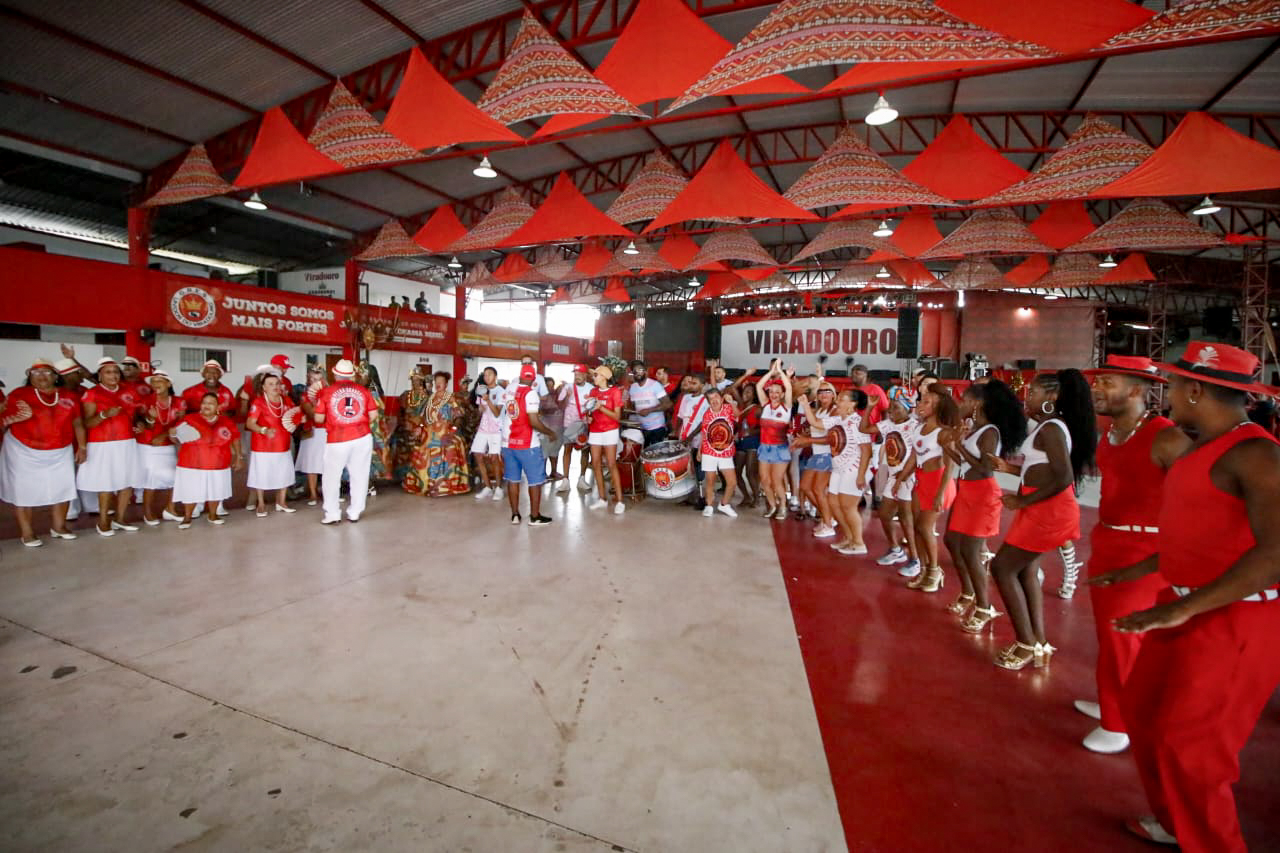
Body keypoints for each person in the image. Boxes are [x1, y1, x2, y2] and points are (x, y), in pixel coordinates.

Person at [1088, 343, 1280, 851]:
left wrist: (1183, 606)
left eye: (1171, 385)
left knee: (1195, 749)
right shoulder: (1199, 445)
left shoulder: (1256, 454)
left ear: (1195, 390)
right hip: (1184, 607)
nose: (1166, 394)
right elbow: (1194, 533)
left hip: (1236, 617)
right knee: (1143, 713)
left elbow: (1276, 553)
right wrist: (1144, 569)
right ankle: (1177, 821)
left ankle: (1212, 841)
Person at [1068, 357, 1189, 756]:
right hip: (1110, 544)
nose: (1097, 389)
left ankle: (1118, 724)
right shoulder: (1113, 432)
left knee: (1124, 636)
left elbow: (1197, 498)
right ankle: (1112, 701)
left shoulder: (1165, 437)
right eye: (1097, 381)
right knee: (1110, 634)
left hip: (1144, 553)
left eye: (1107, 382)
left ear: (1137, 390)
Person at [987, 370, 1097, 670]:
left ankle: (1025, 643)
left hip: (1048, 510)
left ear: (1051, 397)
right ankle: (1036, 641)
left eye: (1033, 392)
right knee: (1024, 571)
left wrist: (1023, 499)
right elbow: (1040, 470)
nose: (1027, 397)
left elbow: (1063, 476)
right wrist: (1008, 469)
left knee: (1002, 567)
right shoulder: (1046, 427)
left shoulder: (1051, 428)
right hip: (1039, 507)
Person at [941, 381, 1027, 631]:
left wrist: (959, 447)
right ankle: (968, 593)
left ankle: (984, 605)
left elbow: (986, 466)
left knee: (970, 549)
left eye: (965, 400)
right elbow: (966, 463)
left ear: (977, 404)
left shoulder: (990, 432)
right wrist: (952, 446)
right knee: (952, 541)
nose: (961, 405)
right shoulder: (975, 429)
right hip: (967, 489)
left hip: (982, 493)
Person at [0, 358, 84, 545]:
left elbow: (77, 423)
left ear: (55, 376)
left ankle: (59, 527)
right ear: (29, 376)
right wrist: (10, 417)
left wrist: (82, 446)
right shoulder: (18, 394)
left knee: (63, 488)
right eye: (35, 373)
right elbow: (2, 416)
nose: (41, 377)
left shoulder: (68, 396)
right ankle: (27, 532)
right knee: (24, 491)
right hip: (23, 451)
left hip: (60, 450)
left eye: (46, 372)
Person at [901, 386, 961, 592]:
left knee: (925, 527)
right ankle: (925, 570)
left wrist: (940, 493)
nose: (920, 405)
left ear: (937, 407)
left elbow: (949, 465)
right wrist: (901, 477)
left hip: (938, 483)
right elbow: (914, 456)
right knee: (917, 527)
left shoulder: (943, 433)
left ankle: (935, 571)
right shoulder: (918, 428)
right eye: (921, 400)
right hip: (921, 480)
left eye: (926, 402)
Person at [78, 357, 142, 537]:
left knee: (127, 481)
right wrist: (105, 415)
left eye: (115, 371)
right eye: (108, 372)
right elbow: (87, 422)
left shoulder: (129, 391)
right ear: (100, 376)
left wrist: (139, 424)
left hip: (126, 442)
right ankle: (103, 521)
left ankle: (120, 519)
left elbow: (136, 415)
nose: (113, 375)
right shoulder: (93, 393)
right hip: (102, 444)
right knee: (105, 482)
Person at [314, 359, 378, 524]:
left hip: (337, 439)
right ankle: (355, 512)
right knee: (359, 475)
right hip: (362, 437)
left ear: (335, 374)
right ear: (352, 375)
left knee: (331, 478)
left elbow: (318, 417)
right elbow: (373, 415)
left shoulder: (327, 392)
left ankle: (333, 514)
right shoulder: (363, 391)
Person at [170, 392, 242, 529]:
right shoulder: (189, 419)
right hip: (192, 463)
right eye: (204, 403)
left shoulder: (226, 421)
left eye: (211, 403)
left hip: (218, 463)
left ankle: (213, 514)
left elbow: (236, 439)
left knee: (216, 489)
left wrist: (239, 457)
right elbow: (175, 438)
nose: (206, 406)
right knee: (190, 491)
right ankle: (187, 517)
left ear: (218, 406)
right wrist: (172, 433)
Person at [871, 397, 921, 577]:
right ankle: (895, 549)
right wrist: (870, 408)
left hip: (908, 476)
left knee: (906, 519)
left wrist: (904, 476)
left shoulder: (915, 426)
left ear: (908, 410)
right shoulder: (887, 424)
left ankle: (915, 559)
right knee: (885, 514)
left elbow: (917, 454)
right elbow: (864, 429)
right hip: (894, 476)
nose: (892, 411)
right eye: (891, 408)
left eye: (897, 408)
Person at [499, 363, 555, 525]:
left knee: (513, 480)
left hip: (508, 442)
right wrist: (549, 432)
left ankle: (515, 515)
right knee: (535, 481)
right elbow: (533, 421)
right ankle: (535, 516)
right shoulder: (531, 394)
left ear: (521, 375)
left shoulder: (510, 389)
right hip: (527, 443)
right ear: (534, 379)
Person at [404, 371, 471, 497]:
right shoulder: (431, 398)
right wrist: (420, 427)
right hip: (430, 431)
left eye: (441, 382)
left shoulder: (451, 398)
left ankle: (443, 486)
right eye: (436, 382)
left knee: (446, 448)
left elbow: (459, 417)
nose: (438, 384)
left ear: (446, 384)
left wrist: (453, 430)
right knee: (420, 449)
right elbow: (425, 418)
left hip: (446, 430)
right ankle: (425, 484)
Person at [245, 371, 301, 517]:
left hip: (283, 444)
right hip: (263, 446)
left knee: (284, 473)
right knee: (261, 474)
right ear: (263, 387)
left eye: (277, 383)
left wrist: (300, 420)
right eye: (270, 384)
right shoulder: (259, 402)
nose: (275, 386)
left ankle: (281, 502)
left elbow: (296, 415)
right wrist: (263, 430)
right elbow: (250, 423)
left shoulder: (286, 400)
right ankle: (261, 504)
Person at [134, 369, 184, 526]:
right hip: (148, 446)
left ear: (168, 384)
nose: (156, 384)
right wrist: (150, 419)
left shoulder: (179, 402)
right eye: (153, 382)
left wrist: (164, 435)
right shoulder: (145, 400)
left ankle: (170, 509)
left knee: (176, 477)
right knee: (150, 480)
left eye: (160, 381)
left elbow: (181, 424)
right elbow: (139, 421)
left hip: (167, 445)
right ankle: (147, 513)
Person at [824, 389, 871, 555]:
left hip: (854, 468)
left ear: (853, 404)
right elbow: (816, 423)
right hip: (839, 468)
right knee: (834, 504)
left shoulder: (858, 422)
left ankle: (858, 542)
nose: (838, 401)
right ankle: (848, 537)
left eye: (843, 399)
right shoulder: (839, 420)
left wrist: (861, 475)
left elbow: (866, 450)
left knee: (848, 506)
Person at [793, 381, 837, 536]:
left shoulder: (834, 412)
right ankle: (827, 518)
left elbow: (830, 439)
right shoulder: (819, 411)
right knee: (805, 487)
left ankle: (828, 524)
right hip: (816, 453)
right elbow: (813, 429)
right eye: (820, 391)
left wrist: (807, 440)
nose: (823, 394)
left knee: (818, 490)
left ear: (833, 394)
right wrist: (802, 439)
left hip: (826, 454)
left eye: (827, 391)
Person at [755, 360, 794, 520]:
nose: (773, 394)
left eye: (777, 392)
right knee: (764, 480)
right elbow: (758, 386)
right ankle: (772, 505)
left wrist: (782, 374)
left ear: (783, 394)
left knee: (777, 480)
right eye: (771, 391)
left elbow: (789, 387)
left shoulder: (786, 407)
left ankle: (783, 506)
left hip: (780, 448)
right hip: (764, 447)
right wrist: (771, 372)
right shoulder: (765, 405)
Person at [585, 365, 626, 514]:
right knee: (595, 463)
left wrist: (600, 407)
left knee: (611, 463)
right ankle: (602, 499)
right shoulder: (593, 391)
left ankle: (620, 500)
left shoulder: (614, 392)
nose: (593, 377)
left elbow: (617, 416)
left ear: (604, 377)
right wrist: (588, 418)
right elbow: (590, 410)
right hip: (595, 430)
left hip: (610, 430)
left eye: (596, 375)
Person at [698, 385, 739, 517]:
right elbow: (704, 434)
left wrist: (732, 402)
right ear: (708, 401)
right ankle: (709, 505)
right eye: (711, 399)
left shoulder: (728, 409)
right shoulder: (706, 414)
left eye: (716, 397)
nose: (714, 400)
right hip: (709, 451)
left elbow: (738, 415)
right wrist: (700, 451)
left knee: (732, 482)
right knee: (710, 480)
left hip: (726, 452)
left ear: (721, 399)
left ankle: (724, 504)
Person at [470, 367, 505, 501]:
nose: (487, 377)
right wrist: (481, 407)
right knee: (477, 454)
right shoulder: (481, 391)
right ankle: (488, 486)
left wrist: (488, 400)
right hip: (483, 428)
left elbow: (497, 413)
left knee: (494, 458)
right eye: (485, 375)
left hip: (496, 429)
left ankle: (499, 488)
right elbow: (481, 410)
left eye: (489, 374)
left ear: (495, 376)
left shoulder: (501, 392)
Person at [295, 364, 328, 506]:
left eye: (318, 379)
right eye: (312, 379)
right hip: (313, 431)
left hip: (328, 430)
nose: (315, 382)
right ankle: (313, 494)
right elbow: (312, 414)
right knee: (312, 464)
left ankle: (329, 492)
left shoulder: (330, 392)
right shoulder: (305, 396)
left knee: (328, 463)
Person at [557, 364, 593, 493]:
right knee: (567, 450)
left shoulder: (591, 389)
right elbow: (560, 406)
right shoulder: (568, 387)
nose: (577, 377)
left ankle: (582, 479)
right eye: (575, 374)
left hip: (583, 424)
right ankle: (565, 480)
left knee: (585, 451)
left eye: (579, 374)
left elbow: (593, 407)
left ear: (585, 376)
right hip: (568, 425)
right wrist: (567, 396)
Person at [356, 361, 391, 489]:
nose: (360, 378)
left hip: (371, 428)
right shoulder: (358, 390)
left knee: (370, 454)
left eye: (363, 375)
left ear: (370, 377)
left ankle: (368, 483)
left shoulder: (373, 392)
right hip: (360, 428)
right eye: (359, 375)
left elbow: (376, 414)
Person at [393, 370, 429, 483]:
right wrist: (400, 423)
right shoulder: (406, 394)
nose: (414, 383)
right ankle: (402, 475)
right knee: (400, 447)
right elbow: (401, 411)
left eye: (417, 380)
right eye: (413, 381)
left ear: (421, 381)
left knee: (416, 448)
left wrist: (421, 425)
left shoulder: (426, 396)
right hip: (406, 426)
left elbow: (427, 414)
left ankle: (415, 476)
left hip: (418, 426)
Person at [626, 360, 673, 446]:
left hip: (657, 428)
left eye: (640, 370)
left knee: (655, 456)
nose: (638, 373)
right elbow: (634, 407)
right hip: (642, 428)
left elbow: (668, 404)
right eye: (635, 371)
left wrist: (650, 410)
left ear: (646, 371)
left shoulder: (655, 385)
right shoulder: (632, 387)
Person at [733, 380, 761, 506]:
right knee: (736, 472)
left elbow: (765, 428)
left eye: (749, 392)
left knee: (750, 472)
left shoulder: (757, 409)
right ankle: (746, 496)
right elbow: (733, 388)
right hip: (740, 441)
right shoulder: (741, 407)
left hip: (753, 442)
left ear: (754, 395)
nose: (745, 393)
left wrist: (751, 431)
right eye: (745, 391)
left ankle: (756, 497)